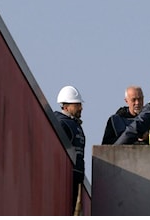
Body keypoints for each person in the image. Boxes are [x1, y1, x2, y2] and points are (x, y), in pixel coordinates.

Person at [54, 85, 86, 215]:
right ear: (66, 106)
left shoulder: (75, 125)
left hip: (77, 177)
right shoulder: (63, 123)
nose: (80, 108)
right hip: (68, 178)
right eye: (76, 105)